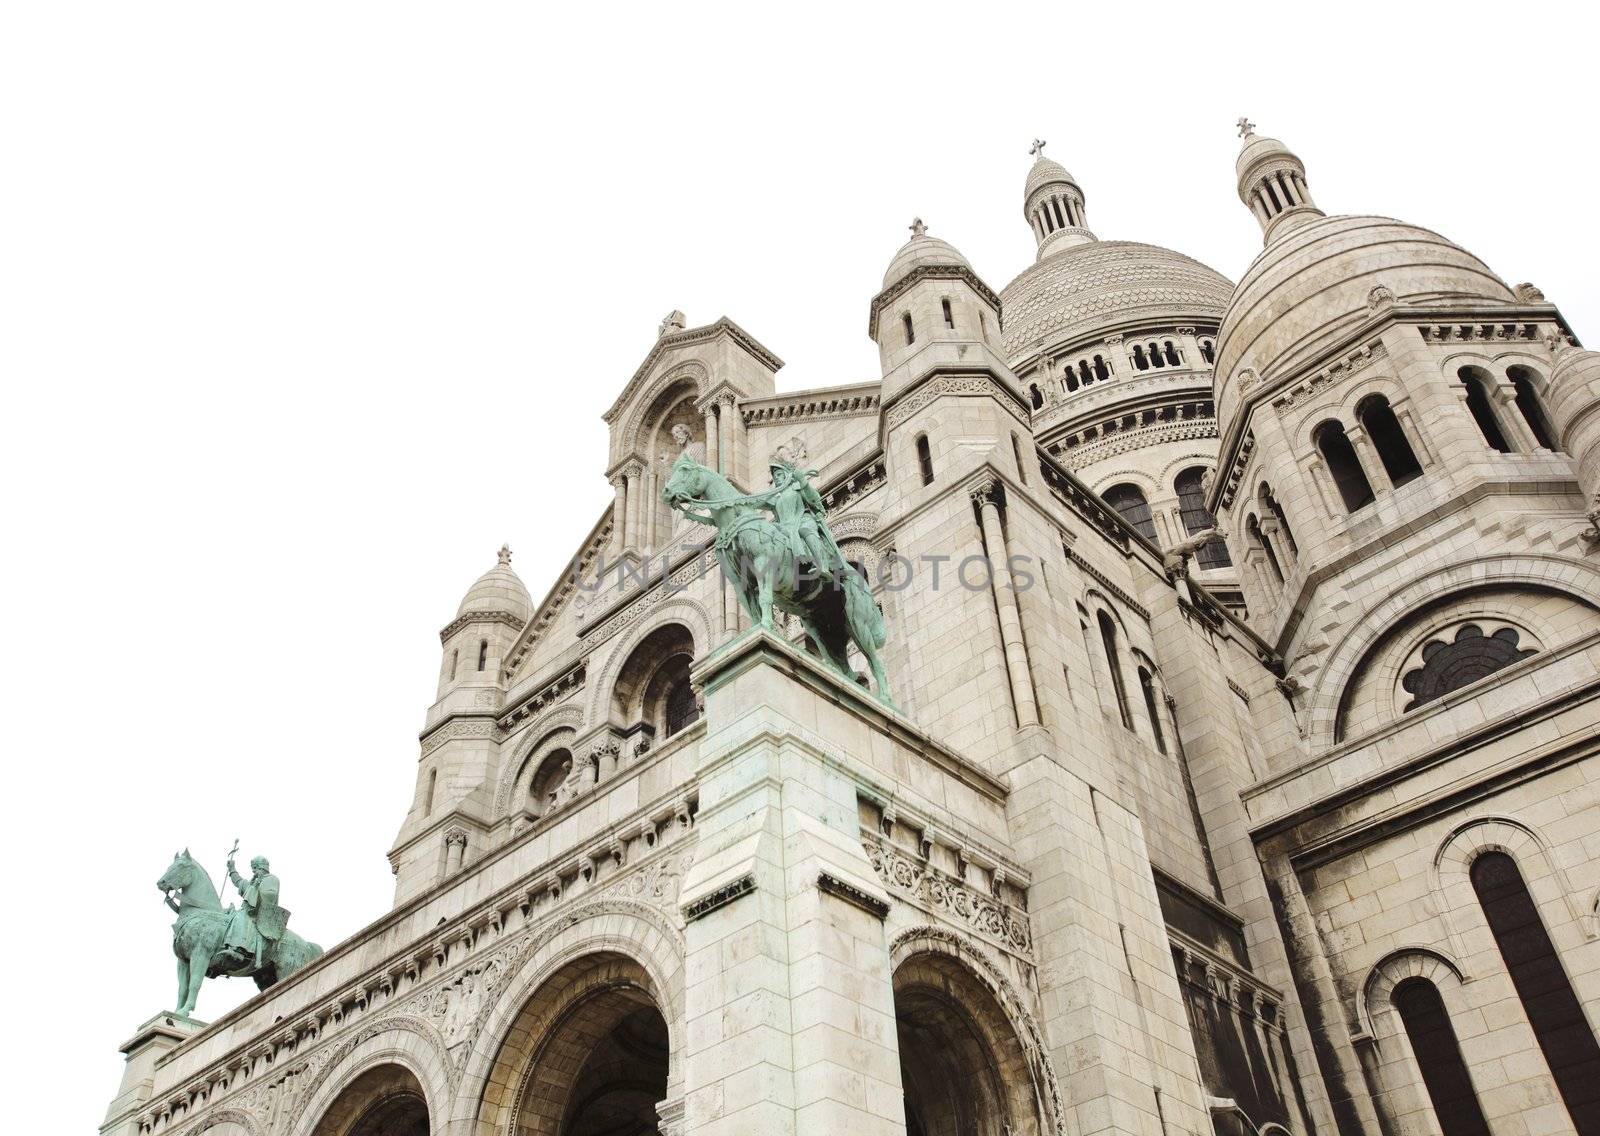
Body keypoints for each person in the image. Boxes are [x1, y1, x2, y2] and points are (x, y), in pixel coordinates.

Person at [224, 854, 288, 970]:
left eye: (256, 868)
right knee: (230, 915)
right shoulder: (254, 882)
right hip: (249, 910)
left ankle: (239, 949)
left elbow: (271, 895)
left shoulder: (271, 879)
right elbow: (240, 883)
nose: (253, 871)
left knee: (241, 917)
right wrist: (232, 869)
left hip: (261, 914)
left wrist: (256, 887)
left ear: (263, 868)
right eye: (253, 869)